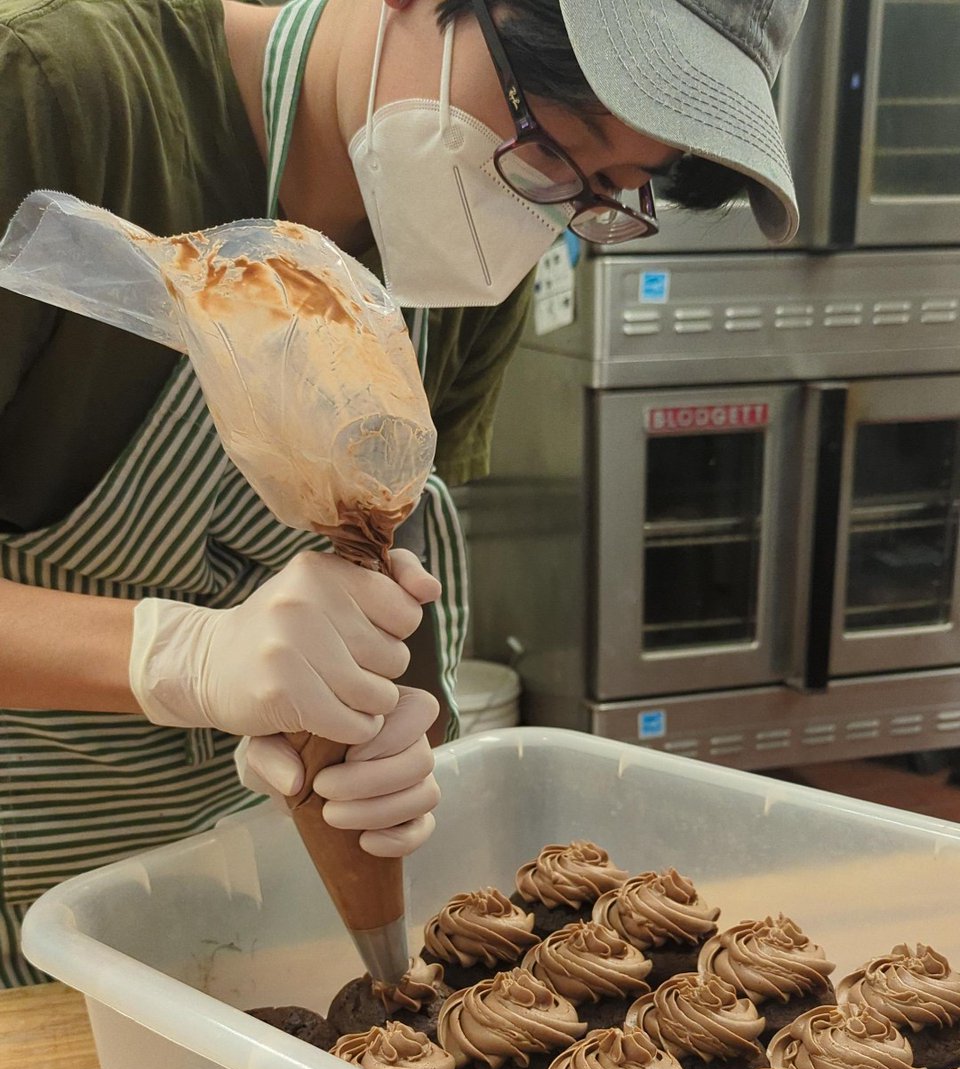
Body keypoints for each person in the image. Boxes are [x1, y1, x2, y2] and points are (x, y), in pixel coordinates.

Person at [0, 0, 807, 985]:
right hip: (28, 884)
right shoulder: (54, 91)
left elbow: (393, 564)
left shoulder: (465, 251)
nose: (540, 200)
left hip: (244, 883)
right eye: (552, 137)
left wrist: (398, 716)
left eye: (605, 189)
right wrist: (180, 656)